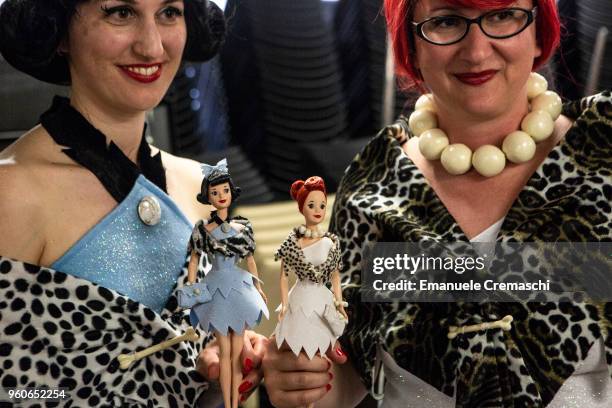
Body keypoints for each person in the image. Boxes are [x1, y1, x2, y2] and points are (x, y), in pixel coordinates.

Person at [262, 0, 612, 407]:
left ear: (539, 31)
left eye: (502, 15)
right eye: (446, 21)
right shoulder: (376, 186)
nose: (477, 51)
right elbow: (345, 379)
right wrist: (302, 378)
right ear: (411, 45)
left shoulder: (600, 152)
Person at [0, 1, 266, 406]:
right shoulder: (10, 192)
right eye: (121, 12)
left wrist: (229, 363)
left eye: (169, 13)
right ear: (58, 33)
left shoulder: (204, 184)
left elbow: (222, 354)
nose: (152, 46)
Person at [181, 158, 269, 408]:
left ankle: (232, 403)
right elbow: (194, 261)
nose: (221, 196)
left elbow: (250, 260)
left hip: (239, 288)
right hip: (216, 289)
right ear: (208, 197)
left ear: (232, 193)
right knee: (226, 353)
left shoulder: (241, 228)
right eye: (215, 192)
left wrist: (259, 288)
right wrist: (192, 289)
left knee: (237, 353)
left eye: (225, 191)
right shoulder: (203, 230)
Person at [273, 177, 347, 360]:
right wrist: (284, 305)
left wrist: (339, 303)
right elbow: (284, 276)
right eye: (311, 205)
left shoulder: (331, 242)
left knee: (322, 346)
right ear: (302, 207)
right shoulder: (292, 243)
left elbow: (335, 277)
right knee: (298, 345)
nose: (317, 210)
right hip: (299, 297)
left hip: (322, 299)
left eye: (322, 206)